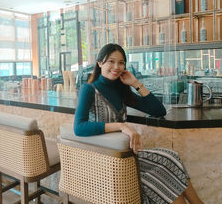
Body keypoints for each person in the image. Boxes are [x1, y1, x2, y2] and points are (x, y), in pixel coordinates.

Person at [74, 43, 203, 204]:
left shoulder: (121, 90)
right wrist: (121, 126)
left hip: (126, 154)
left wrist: (136, 83)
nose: (116, 66)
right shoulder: (89, 89)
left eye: (121, 63)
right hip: (106, 158)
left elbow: (159, 110)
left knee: (171, 158)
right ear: (100, 63)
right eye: (111, 62)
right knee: (160, 176)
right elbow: (79, 127)